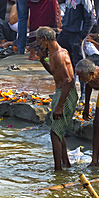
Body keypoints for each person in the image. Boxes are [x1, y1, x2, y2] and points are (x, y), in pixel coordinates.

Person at [36, 26, 76, 171]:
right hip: (60, 90)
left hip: (67, 93)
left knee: (55, 133)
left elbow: (68, 81)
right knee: (58, 130)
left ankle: (58, 170)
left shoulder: (59, 55)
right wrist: (42, 60)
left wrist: (59, 106)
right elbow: (56, 74)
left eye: (38, 41)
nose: (38, 44)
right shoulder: (53, 55)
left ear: (44, 39)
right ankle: (65, 163)